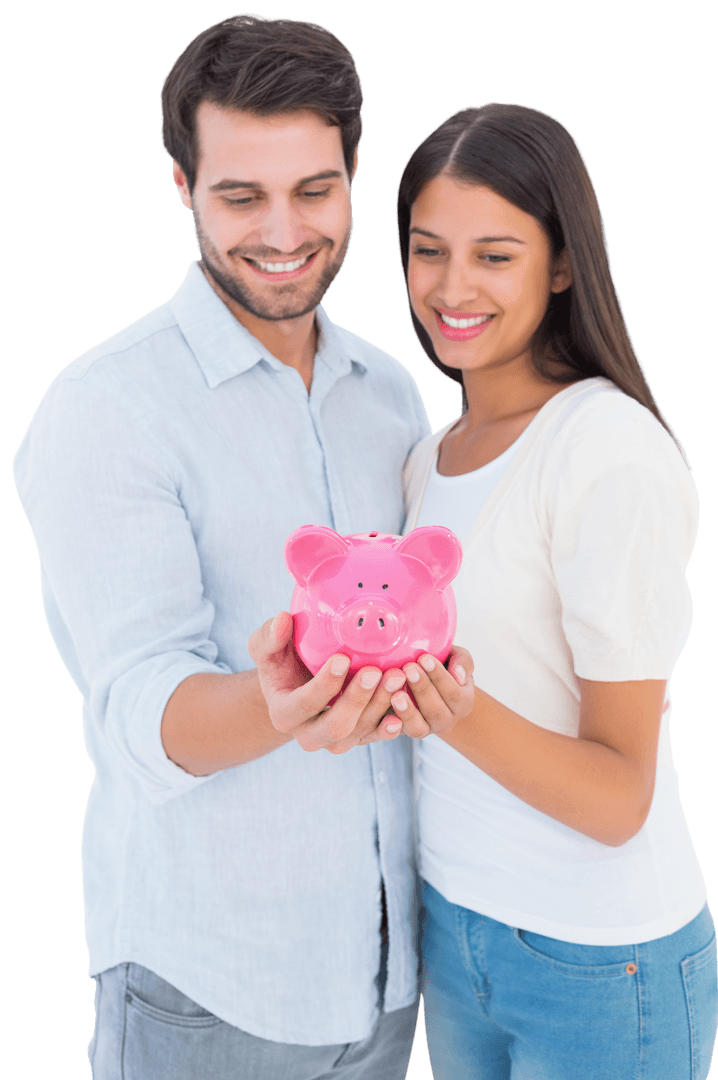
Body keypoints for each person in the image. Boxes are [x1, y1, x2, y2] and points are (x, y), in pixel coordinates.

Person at [12, 15, 474, 1079]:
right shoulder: (104, 408)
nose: (282, 230)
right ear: (181, 183)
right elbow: (131, 708)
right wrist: (277, 706)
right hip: (207, 991)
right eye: (239, 196)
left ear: (354, 168)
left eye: (314, 189)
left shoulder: (391, 393)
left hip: (387, 982)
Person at [389, 103, 718, 1079]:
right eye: (427, 250)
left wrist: (447, 710)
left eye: (494, 255)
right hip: (456, 928)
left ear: (561, 264)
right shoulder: (425, 460)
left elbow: (619, 794)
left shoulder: (606, 453)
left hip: (598, 961)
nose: (451, 288)